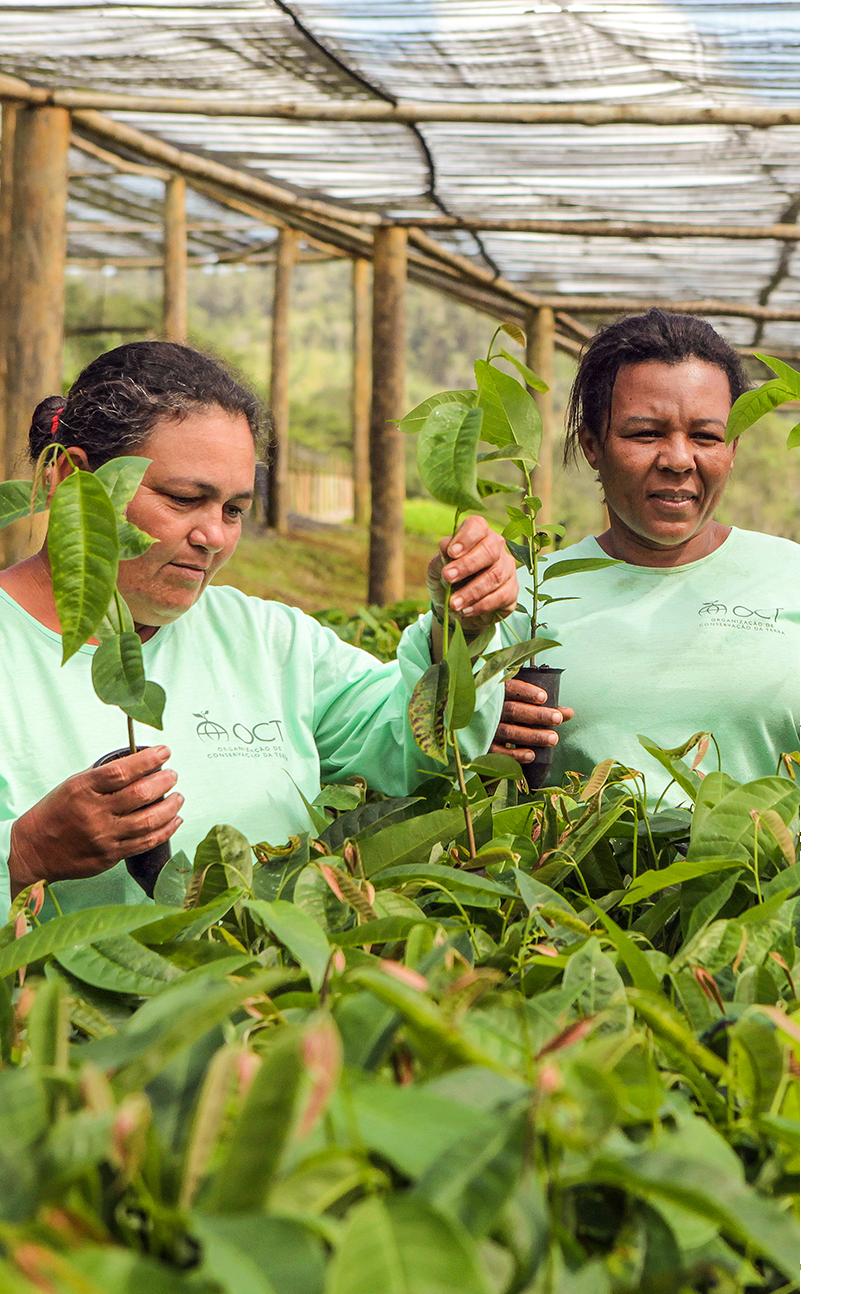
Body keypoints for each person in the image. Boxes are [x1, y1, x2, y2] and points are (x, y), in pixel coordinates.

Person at [0, 341, 518, 917]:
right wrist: (23, 854)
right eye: (183, 498)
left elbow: (408, 743)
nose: (214, 536)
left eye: (233, 510)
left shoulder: (270, 642)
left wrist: (460, 632)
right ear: (72, 479)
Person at [492, 309, 799, 803]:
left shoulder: (803, 578)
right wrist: (477, 727)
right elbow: (440, 754)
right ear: (592, 445)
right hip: (574, 880)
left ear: (733, 447)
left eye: (705, 436)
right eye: (645, 434)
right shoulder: (525, 597)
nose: (678, 459)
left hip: (774, 879)